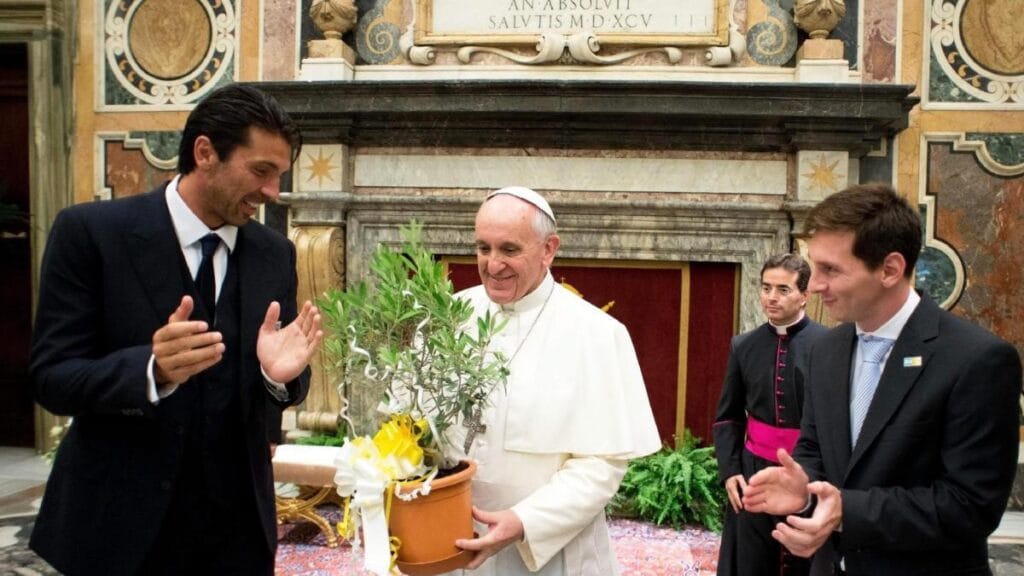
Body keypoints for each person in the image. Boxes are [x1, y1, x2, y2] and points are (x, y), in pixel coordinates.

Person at [29, 83, 323, 576]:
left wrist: (277, 378)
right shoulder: (91, 233)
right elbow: (50, 378)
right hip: (117, 532)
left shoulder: (275, 253)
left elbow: (282, 379)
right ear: (205, 152)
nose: (273, 192)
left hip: (236, 540)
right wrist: (150, 370)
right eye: (261, 171)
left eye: (279, 175)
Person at [742, 184, 1022, 575]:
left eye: (830, 270)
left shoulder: (977, 360)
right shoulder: (825, 351)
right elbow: (815, 449)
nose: (814, 285)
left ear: (890, 269)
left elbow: (970, 506)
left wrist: (846, 511)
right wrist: (803, 486)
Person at [445, 186, 662, 576]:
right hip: (451, 544)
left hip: (549, 552)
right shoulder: (449, 316)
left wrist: (525, 521)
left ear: (548, 249)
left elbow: (601, 465)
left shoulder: (596, 333)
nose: (492, 265)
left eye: (509, 250)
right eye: (483, 248)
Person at [713, 253, 828, 576]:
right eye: (766, 288)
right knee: (752, 561)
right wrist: (730, 470)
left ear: (805, 295)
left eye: (783, 289)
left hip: (809, 472)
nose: (771, 298)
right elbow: (728, 416)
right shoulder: (743, 345)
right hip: (754, 473)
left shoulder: (829, 345)